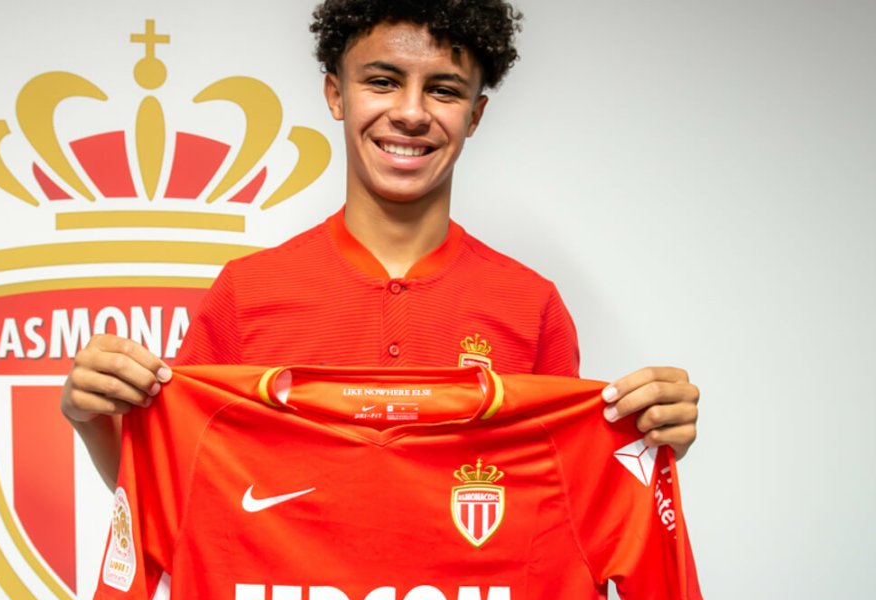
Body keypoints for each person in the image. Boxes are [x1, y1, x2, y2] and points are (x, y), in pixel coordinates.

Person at [60, 0, 700, 491]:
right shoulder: (246, 293)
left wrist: (650, 447)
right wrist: (92, 422)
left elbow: (569, 502)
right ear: (336, 94)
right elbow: (176, 495)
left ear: (475, 116)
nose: (412, 113)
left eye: (444, 89)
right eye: (384, 81)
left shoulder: (531, 306)